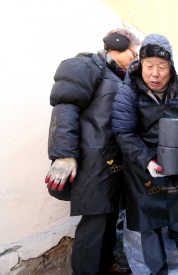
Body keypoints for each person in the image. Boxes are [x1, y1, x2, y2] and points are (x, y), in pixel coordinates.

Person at [45, 28, 140, 274]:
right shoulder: (85, 67)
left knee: (108, 219)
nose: (135, 58)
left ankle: (105, 264)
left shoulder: (116, 76)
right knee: (94, 223)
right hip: (91, 161)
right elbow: (65, 107)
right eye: (133, 52)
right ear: (117, 45)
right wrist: (63, 155)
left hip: (111, 162)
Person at [111, 34, 178, 275]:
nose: (154, 73)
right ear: (141, 64)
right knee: (149, 220)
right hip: (142, 163)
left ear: (171, 68)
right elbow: (124, 133)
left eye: (161, 66)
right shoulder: (129, 92)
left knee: (177, 204)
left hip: (175, 159)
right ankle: (158, 270)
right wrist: (146, 159)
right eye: (149, 66)